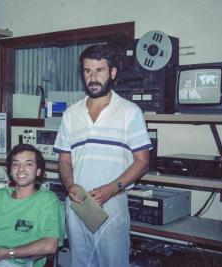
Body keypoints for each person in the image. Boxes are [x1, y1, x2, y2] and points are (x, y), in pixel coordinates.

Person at [53, 44, 152, 267]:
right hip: (78, 204)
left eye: (99, 70)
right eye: (88, 71)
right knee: (80, 263)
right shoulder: (71, 114)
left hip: (112, 204)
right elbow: (65, 159)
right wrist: (70, 186)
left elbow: (142, 162)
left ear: (113, 73)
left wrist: (111, 188)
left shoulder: (130, 112)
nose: (93, 77)